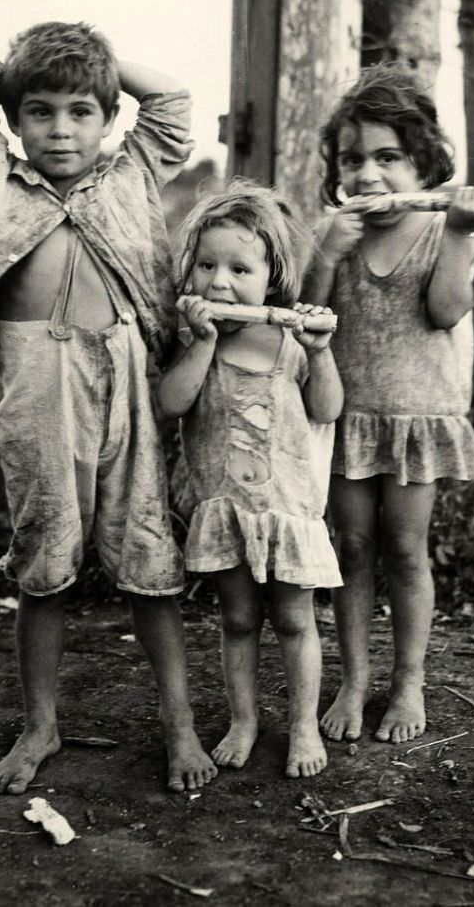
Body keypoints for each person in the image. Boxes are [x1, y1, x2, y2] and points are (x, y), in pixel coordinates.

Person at [0, 20, 217, 794]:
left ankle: (178, 723)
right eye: (41, 110)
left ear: (108, 115)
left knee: (148, 555)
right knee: (44, 559)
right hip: (37, 384)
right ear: (15, 120)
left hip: (124, 372)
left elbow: (173, 102)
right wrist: (33, 63)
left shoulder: (133, 172)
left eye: (80, 110)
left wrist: (99, 64)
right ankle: (40, 726)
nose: (61, 129)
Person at [302, 64, 474, 745]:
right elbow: (309, 319)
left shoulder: (444, 231)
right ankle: (354, 679)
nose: (368, 175)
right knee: (351, 550)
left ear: (424, 167)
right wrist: (324, 254)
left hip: (418, 420)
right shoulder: (339, 236)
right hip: (348, 417)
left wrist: (466, 233)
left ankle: (407, 680)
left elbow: (444, 311)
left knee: (406, 551)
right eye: (353, 159)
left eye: (389, 158)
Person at [157, 182, 344, 778]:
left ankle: (304, 725)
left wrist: (322, 351)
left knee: (295, 621)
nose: (220, 282)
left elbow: (328, 409)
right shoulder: (195, 342)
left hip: (287, 513)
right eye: (207, 265)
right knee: (237, 620)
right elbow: (173, 402)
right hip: (227, 510)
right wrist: (203, 345)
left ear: (271, 278)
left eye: (240, 268)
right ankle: (244, 719)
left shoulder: (290, 339)